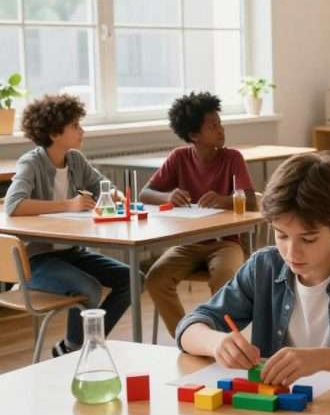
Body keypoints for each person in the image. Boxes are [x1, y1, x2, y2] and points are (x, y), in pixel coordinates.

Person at [177, 152, 330, 383]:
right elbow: (190, 327)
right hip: (278, 414)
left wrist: (318, 359)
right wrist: (216, 343)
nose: (292, 253)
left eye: (308, 239)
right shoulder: (263, 268)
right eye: (281, 236)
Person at [4, 94, 136, 357]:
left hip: (72, 254)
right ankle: (77, 349)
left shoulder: (75, 160)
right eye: (75, 125)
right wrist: (69, 204)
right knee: (89, 289)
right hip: (37, 261)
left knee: (132, 279)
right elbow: (14, 205)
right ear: (54, 133)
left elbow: (102, 187)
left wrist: (117, 197)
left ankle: (78, 346)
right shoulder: (31, 163)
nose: (82, 130)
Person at [139, 91, 256, 336]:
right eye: (213, 126)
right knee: (156, 279)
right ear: (194, 135)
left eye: (220, 123)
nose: (221, 130)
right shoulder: (179, 158)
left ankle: (225, 341)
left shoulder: (232, 158)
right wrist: (168, 197)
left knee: (225, 279)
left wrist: (224, 200)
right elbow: (145, 193)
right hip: (188, 244)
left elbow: (252, 201)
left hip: (226, 243)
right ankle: (188, 336)